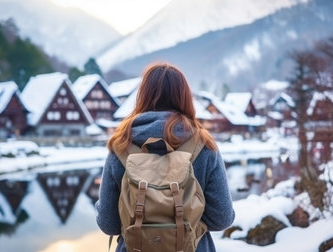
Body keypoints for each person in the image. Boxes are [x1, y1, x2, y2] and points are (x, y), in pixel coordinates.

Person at [96, 62, 235, 251]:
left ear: (142, 96)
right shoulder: (204, 146)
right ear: (185, 97)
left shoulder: (121, 145)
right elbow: (222, 218)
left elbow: (108, 224)